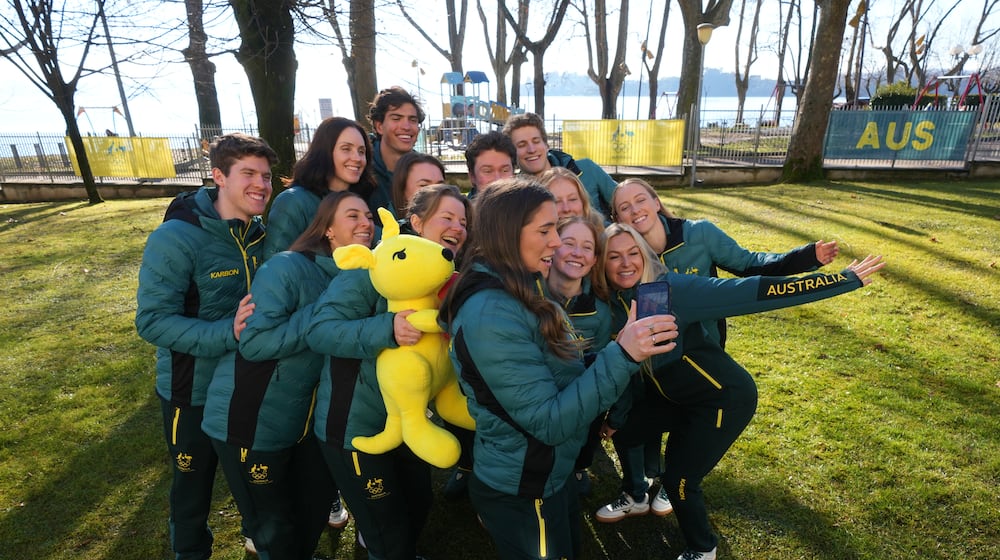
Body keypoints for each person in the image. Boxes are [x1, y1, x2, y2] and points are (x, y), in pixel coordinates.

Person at [598, 223, 884, 560]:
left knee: (680, 481)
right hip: (677, 398)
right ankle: (638, 495)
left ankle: (703, 548)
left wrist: (841, 280)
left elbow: (752, 291)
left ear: (646, 256)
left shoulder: (671, 290)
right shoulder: (613, 300)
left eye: (633, 253)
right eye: (614, 256)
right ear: (601, 264)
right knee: (627, 430)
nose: (625, 263)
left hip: (723, 400)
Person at [441, 177, 679, 560]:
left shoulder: (524, 285)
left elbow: (554, 371)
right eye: (545, 230)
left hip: (551, 476)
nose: (556, 241)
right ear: (507, 233)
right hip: (524, 487)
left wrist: (619, 349)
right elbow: (548, 421)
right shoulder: (492, 314)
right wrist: (623, 354)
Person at [604, 177, 841, 514]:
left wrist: (805, 259)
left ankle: (674, 481)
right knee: (645, 416)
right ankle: (642, 485)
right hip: (649, 360)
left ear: (656, 202)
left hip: (700, 356)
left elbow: (751, 265)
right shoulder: (624, 258)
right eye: (623, 207)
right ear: (617, 219)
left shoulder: (698, 234)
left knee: (688, 415)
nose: (634, 210)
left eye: (640, 200)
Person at [202, 191, 374, 559]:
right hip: (250, 419)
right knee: (273, 529)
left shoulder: (358, 277)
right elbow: (254, 343)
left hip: (306, 423)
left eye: (369, 216)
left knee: (309, 514)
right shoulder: (287, 267)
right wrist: (325, 313)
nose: (366, 223)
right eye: (353, 216)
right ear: (327, 229)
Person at [306, 184, 471, 560]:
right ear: (416, 222)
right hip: (355, 427)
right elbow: (320, 330)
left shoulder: (444, 281)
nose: (458, 227)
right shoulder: (374, 268)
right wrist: (387, 329)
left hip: (410, 421)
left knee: (418, 503)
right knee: (386, 527)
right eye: (447, 217)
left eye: (463, 221)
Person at [135, 133, 277, 560]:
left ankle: (263, 543)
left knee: (254, 482)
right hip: (190, 392)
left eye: (267, 176)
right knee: (192, 487)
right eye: (248, 174)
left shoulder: (259, 234)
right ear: (218, 176)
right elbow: (152, 321)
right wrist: (226, 333)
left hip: (246, 387)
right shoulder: (176, 237)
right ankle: (191, 552)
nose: (261, 185)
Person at [544, 215, 613, 497]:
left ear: (595, 259)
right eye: (568, 243)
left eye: (587, 247)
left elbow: (606, 366)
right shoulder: (530, 294)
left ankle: (580, 465)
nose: (577, 252)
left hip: (580, 398)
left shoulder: (600, 310)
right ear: (552, 247)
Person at [264, 117, 375, 260]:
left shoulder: (364, 201)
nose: (357, 158)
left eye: (361, 151)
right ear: (325, 151)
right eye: (346, 149)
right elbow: (273, 265)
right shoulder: (293, 201)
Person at [502, 112, 617, 220]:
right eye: (522, 145)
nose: (531, 149)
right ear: (512, 154)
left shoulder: (587, 169)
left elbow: (627, 202)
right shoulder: (516, 196)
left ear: (546, 145)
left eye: (536, 141)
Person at [368, 86, 426, 219]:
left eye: (412, 120)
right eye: (396, 118)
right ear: (379, 126)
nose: (406, 127)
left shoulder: (425, 170)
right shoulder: (362, 170)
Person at [537, 166, 604, 225]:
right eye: (556, 202)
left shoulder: (602, 237)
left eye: (572, 199)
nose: (566, 209)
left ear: (583, 201)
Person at [389, 151, 445, 220]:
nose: (436, 192)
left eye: (440, 185)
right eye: (424, 186)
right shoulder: (385, 228)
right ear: (402, 188)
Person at [464, 130, 516, 198]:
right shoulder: (460, 208)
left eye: (505, 170)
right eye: (487, 171)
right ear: (472, 176)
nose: (497, 179)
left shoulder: (528, 206)